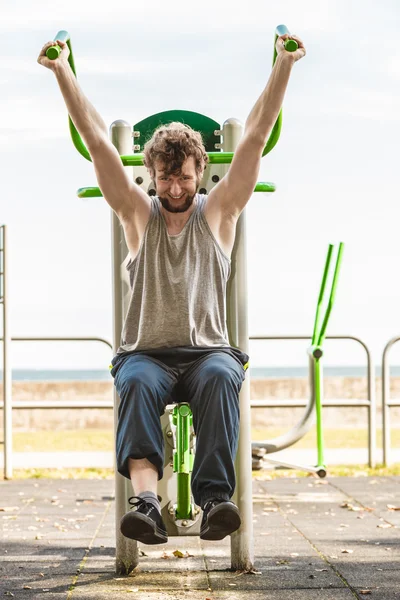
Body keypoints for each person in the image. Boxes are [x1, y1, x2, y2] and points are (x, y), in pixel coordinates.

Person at [38, 33, 306, 545]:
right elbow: (97, 141)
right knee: (133, 380)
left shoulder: (221, 212)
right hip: (149, 356)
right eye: (165, 178)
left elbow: (253, 137)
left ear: (200, 172)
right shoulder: (139, 215)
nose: (176, 188)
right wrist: (62, 72)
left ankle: (215, 501)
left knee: (225, 373)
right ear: (152, 175)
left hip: (207, 354)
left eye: (184, 177)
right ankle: (145, 503)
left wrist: (283, 64)